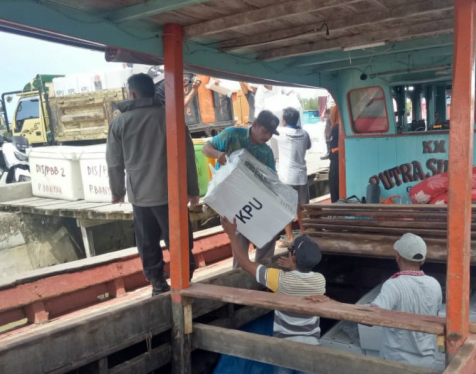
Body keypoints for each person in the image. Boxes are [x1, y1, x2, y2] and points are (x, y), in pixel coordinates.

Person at [106, 73, 200, 296]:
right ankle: (183, 281)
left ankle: (158, 284)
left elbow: (114, 163)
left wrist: (117, 192)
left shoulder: (119, 122)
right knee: (178, 239)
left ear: (133, 93)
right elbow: (188, 155)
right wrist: (193, 190)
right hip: (172, 193)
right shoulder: (171, 117)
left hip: (140, 195)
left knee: (147, 242)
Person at [221, 216, 325, 374]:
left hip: (284, 349)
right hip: (310, 348)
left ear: (294, 257)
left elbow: (244, 262)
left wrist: (231, 234)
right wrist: (294, 266)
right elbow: (303, 278)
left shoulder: (280, 280)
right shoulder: (320, 281)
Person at [201, 110, 279, 266]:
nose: (267, 137)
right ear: (255, 125)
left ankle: (263, 269)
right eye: (265, 132)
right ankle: (239, 271)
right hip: (229, 197)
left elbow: (272, 178)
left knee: (270, 231)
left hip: (254, 199)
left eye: (271, 134)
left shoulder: (266, 152)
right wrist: (218, 154)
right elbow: (205, 148)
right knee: (239, 236)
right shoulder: (232, 134)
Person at [370, 233, 442, 369]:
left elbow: (371, 316)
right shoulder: (435, 284)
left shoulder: (393, 285)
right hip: (427, 362)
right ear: (423, 260)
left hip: (397, 363)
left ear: (397, 257)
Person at [276, 107, 311, 247]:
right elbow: (308, 146)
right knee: (301, 207)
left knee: (286, 208)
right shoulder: (304, 133)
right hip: (301, 176)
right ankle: (304, 233)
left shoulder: (280, 131)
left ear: (284, 121)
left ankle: (290, 237)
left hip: (286, 177)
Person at [328, 104, 341, 203]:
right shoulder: (337, 128)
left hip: (336, 160)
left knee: (334, 185)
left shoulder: (336, 129)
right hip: (337, 158)